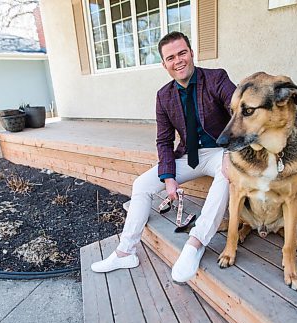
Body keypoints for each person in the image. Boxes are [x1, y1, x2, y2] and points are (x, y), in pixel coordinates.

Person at [91, 31, 236, 283]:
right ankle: (126, 250)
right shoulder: (163, 95)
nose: (178, 60)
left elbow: (240, 113)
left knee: (227, 175)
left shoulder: (216, 78)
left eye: (182, 53)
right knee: (141, 185)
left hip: (220, 151)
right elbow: (164, 140)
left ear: (192, 53)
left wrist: (232, 153)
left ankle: (196, 243)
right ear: (164, 64)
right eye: (171, 57)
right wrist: (168, 177)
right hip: (189, 154)